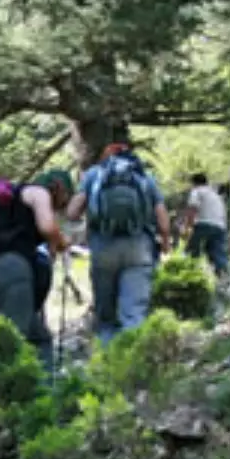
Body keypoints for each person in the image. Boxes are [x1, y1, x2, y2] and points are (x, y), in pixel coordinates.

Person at [67, 139, 171, 344]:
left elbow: (72, 212)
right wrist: (165, 243)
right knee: (134, 313)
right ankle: (132, 365)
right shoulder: (145, 177)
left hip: (103, 247)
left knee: (105, 315)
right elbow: (163, 221)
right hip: (139, 248)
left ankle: (107, 363)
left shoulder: (93, 175)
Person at [0, 171, 74, 372]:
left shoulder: (12, 206)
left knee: (39, 339)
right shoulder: (39, 193)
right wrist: (61, 241)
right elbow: (47, 227)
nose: (61, 207)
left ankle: (43, 396)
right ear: (58, 188)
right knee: (11, 344)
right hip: (14, 276)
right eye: (64, 199)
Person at [183, 173, 229, 277]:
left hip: (204, 224)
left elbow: (192, 209)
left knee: (192, 250)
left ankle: (191, 275)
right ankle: (223, 277)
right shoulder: (215, 194)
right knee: (217, 253)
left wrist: (187, 228)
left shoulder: (196, 191)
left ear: (194, 183)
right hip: (220, 226)